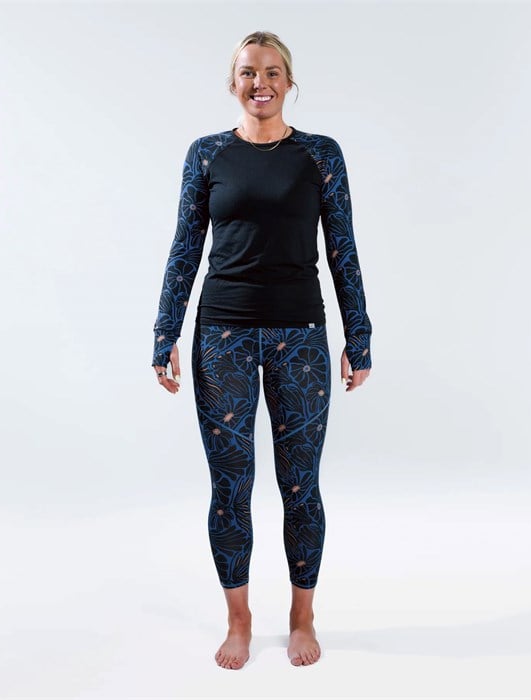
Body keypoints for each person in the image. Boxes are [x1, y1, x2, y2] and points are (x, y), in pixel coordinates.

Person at [152, 30, 372, 669]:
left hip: (299, 335)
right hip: (221, 334)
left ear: (289, 82)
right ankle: (239, 619)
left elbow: (343, 249)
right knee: (231, 485)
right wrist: (165, 333)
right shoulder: (207, 154)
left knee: (300, 485)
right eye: (249, 72)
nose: (261, 83)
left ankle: (302, 615)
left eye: (272, 72)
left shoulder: (320, 155)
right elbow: (185, 247)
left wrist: (358, 337)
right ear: (233, 82)